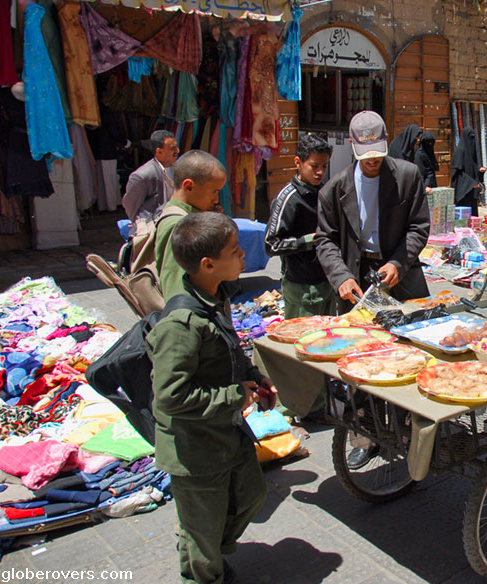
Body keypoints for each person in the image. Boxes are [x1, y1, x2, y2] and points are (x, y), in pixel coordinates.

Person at [146, 212, 275, 584]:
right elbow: (169, 397)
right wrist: (234, 396)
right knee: (202, 531)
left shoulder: (215, 298)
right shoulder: (181, 325)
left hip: (224, 433)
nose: (243, 258)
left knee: (250, 493)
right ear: (208, 264)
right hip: (194, 448)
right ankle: (203, 570)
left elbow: (229, 353)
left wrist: (254, 378)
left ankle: (208, 551)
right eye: (235, 251)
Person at [316, 110, 430, 306]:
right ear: (352, 144)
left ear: (386, 140)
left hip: (400, 274)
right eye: (365, 154)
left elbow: (418, 227)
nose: (372, 160)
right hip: (357, 277)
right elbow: (325, 239)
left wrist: (397, 263)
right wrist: (341, 276)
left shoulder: (407, 176)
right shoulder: (333, 190)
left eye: (377, 152)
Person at [265, 134, 335, 319]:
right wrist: (308, 240)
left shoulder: (324, 192)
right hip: (302, 287)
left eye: (324, 166)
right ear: (298, 162)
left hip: (327, 281)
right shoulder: (288, 198)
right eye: (314, 166)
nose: (320, 172)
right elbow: (271, 244)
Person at [156, 150, 228, 301]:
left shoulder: (191, 218)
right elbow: (175, 291)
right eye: (214, 192)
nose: (216, 200)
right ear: (188, 187)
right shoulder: (178, 225)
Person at [122, 130, 180, 222]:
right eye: (173, 148)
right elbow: (131, 206)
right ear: (159, 152)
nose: (177, 151)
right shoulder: (142, 176)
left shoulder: (179, 168)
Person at [451, 127, 486, 217]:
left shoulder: (471, 153)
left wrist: (480, 172)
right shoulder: (460, 152)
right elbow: (456, 174)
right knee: (464, 217)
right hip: (463, 193)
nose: (472, 141)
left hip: (472, 192)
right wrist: (471, 183)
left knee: (473, 218)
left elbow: (472, 171)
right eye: (470, 137)